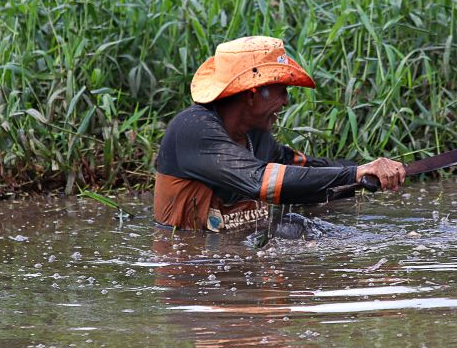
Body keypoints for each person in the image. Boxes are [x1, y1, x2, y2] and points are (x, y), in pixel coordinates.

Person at [153, 35, 406, 233]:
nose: (286, 101)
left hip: (239, 256)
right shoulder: (193, 129)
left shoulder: (255, 136)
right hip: (191, 266)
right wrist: (354, 173)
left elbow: (305, 169)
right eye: (281, 91)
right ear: (252, 95)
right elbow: (261, 180)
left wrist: (367, 171)